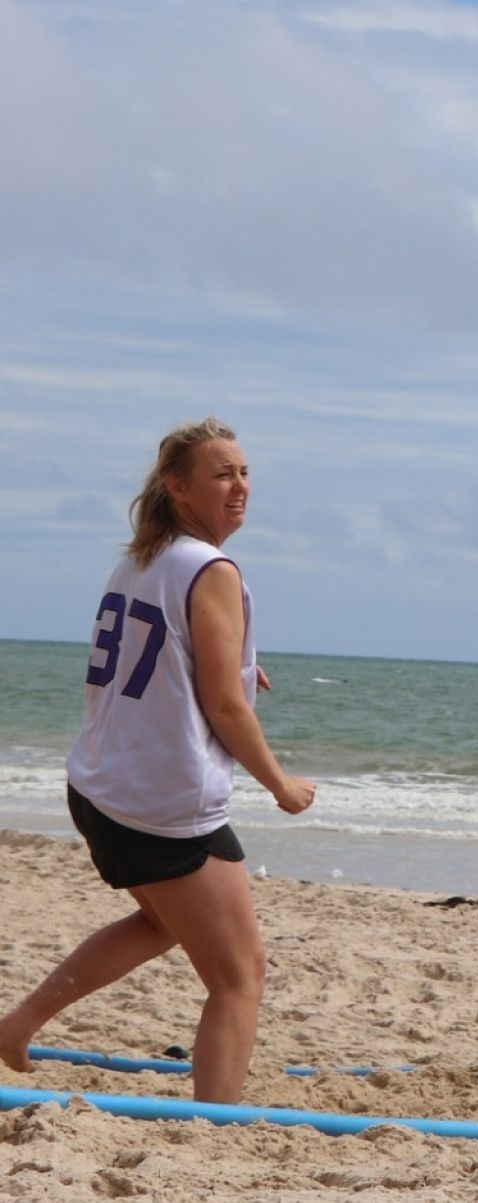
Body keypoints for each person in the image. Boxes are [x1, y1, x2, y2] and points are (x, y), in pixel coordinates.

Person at [0, 418, 318, 1103]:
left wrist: (238, 671)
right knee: (240, 977)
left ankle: (17, 1024)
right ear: (178, 487)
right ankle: (216, 1124)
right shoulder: (211, 568)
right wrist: (281, 785)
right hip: (163, 807)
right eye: (222, 474)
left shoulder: (143, 558)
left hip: (98, 787)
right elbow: (222, 709)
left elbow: (160, 657)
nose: (240, 486)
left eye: (244, 472)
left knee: (159, 924)